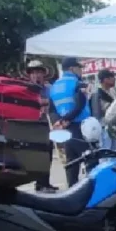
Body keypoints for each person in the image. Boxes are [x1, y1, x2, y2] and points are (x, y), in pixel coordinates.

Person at [49, 57, 92, 187]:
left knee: (71, 160)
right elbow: (80, 105)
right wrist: (67, 119)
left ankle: (71, 189)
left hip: (64, 128)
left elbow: (52, 109)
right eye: (79, 68)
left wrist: (59, 122)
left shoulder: (54, 86)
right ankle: (92, 191)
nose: (81, 71)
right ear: (72, 69)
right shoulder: (78, 84)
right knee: (90, 159)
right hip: (81, 126)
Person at [26, 60, 58, 193]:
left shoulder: (49, 88)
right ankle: (38, 182)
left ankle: (45, 182)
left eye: (39, 72)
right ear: (30, 75)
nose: (37, 75)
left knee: (48, 154)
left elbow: (54, 102)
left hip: (47, 124)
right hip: (33, 126)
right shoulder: (26, 89)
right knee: (37, 155)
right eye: (34, 73)